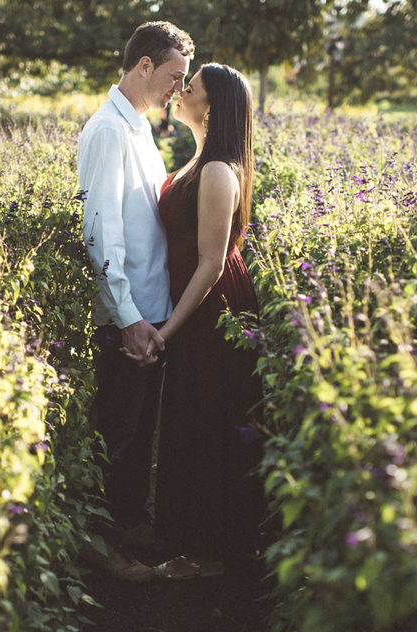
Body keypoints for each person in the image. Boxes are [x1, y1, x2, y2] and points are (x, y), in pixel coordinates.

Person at [77, 21, 194, 581]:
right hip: (131, 314)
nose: (179, 87)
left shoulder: (141, 128)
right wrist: (128, 318)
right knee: (118, 436)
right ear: (143, 65)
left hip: (152, 308)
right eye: (174, 76)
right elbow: (101, 233)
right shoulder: (108, 132)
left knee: (136, 430)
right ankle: (107, 553)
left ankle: (129, 528)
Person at [149, 64, 265, 578]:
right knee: (191, 418)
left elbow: (213, 262)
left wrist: (168, 328)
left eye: (190, 86)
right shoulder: (199, 157)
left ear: (212, 105)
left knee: (205, 422)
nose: (182, 89)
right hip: (196, 305)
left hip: (213, 308)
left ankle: (209, 555)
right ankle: (193, 542)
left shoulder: (217, 169)